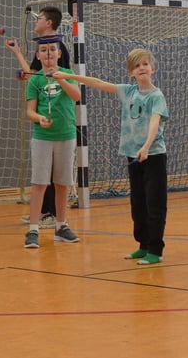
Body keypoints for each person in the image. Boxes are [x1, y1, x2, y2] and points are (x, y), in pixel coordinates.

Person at [59, 48, 169, 265]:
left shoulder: (156, 96)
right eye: (137, 66)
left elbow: (155, 122)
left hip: (153, 155)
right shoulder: (128, 92)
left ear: (153, 69)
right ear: (131, 72)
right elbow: (98, 83)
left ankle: (155, 250)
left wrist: (146, 146)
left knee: (154, 204)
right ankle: (143, 245)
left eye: (145, 64)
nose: (142, 68)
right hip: (133, 155)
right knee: (138, 203)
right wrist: (67, 76)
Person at [5, 5, 73, 227]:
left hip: (61, 120)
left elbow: (65, 83)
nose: (36, 21)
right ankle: (43, 212)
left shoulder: (57, 47)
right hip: (44, 122)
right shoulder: (42, 47)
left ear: (49, 23)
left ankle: (53, 215)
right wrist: (17, 54)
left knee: (58, 176)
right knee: (43, 174)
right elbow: (33, 76)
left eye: (40, 18)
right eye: (44, 51)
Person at [21, 34, 81, 249]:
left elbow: (76, 96)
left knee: (62, 183)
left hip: (66, 135)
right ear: (38, 55)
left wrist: (60, 78)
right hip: (43, 137)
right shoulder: (35, 80)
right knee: (39, 183)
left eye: (52, 49)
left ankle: (61, 226)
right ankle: (33, 229)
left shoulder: (69, 74)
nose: (48, 54)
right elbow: (30, 111)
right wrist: (39, 118)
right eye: (44, 50)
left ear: (59, 53)